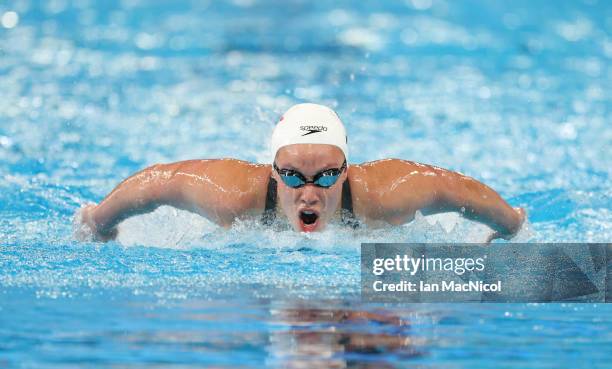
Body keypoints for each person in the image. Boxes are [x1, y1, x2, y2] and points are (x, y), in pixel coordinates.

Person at [78, 103, 525, 242]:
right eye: (292, 176)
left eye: (327, 176)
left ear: (347, 171)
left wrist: (509, 226)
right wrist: (100, 222)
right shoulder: (233, 195)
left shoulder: (388, 194)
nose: (309, 193)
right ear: (273, 174)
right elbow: (161, 182)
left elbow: (455, 189)